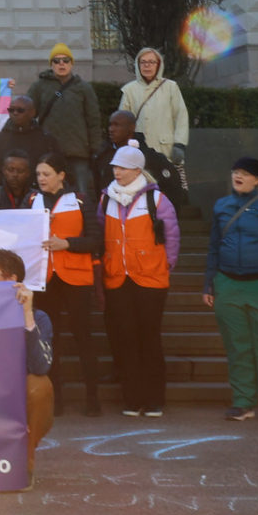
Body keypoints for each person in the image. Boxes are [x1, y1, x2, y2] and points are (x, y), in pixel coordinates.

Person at [204, 156, 258, 424]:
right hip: (228, 285)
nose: (238, 176)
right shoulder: (221, 206)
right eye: (235, 172)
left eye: (244, 173)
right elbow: (213, 248)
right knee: (237, 346)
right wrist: (210, 283)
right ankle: (243, 402)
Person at [99, 143, 180, 418]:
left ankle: (155, 399)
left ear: (136, 170)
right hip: (118, 279)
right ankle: (132, 400)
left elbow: (172, 236)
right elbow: (101, 233)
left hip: (150, 280)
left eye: (121, 167)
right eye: (114, 167)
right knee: (125, 340)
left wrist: (165, 265)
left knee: (149, 339)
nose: (116, 171)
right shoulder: (106, 199)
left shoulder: (156, 200)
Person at [33, 152, 104, 416]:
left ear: (61, 175)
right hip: (46, 279)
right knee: (51, 341)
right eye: (38, 174)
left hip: (76, 277)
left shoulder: (81, 200)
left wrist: (68, 244)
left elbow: (96, 241)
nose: (41, 178)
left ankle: (92, 397)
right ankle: (56, 399)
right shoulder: (31, 200)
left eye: (46, 174)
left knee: (83, 337)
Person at [0, 249, 56, 473]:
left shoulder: (38, 317)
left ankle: (25, 457)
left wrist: (27, 315)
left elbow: (41, 366)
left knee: (40, 386)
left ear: (11, 280)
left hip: (13, 396)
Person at [28, 44, 103, 198]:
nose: (61, 64)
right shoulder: (39, 86)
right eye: (56, 61)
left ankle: (84, 220)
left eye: (65, 60)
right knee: (49, 191)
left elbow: (94, 120)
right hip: (49, 151)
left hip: (78, 152)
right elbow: (26, 112)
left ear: (71, 63)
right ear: (51, 64)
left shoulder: (83, 88)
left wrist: (95, 148)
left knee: (81, 194)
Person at [119, 46, 190, 166]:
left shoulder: (170, 87)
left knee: (167, 183)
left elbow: (181, 116)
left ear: (158, 65)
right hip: (139, 151)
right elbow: (122, 121)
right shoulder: (129, 90)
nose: (147, 65)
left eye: (152, 62)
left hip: (166, 150)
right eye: (143, 62)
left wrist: (179, 144)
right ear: (138, 65)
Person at [0, 96, 60, 192]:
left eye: (20, 110)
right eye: (11, 110)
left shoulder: (47, 140)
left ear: (32, 113)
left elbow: (58, 172)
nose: (15, 113)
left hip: (38, 197)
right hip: (1, 200)